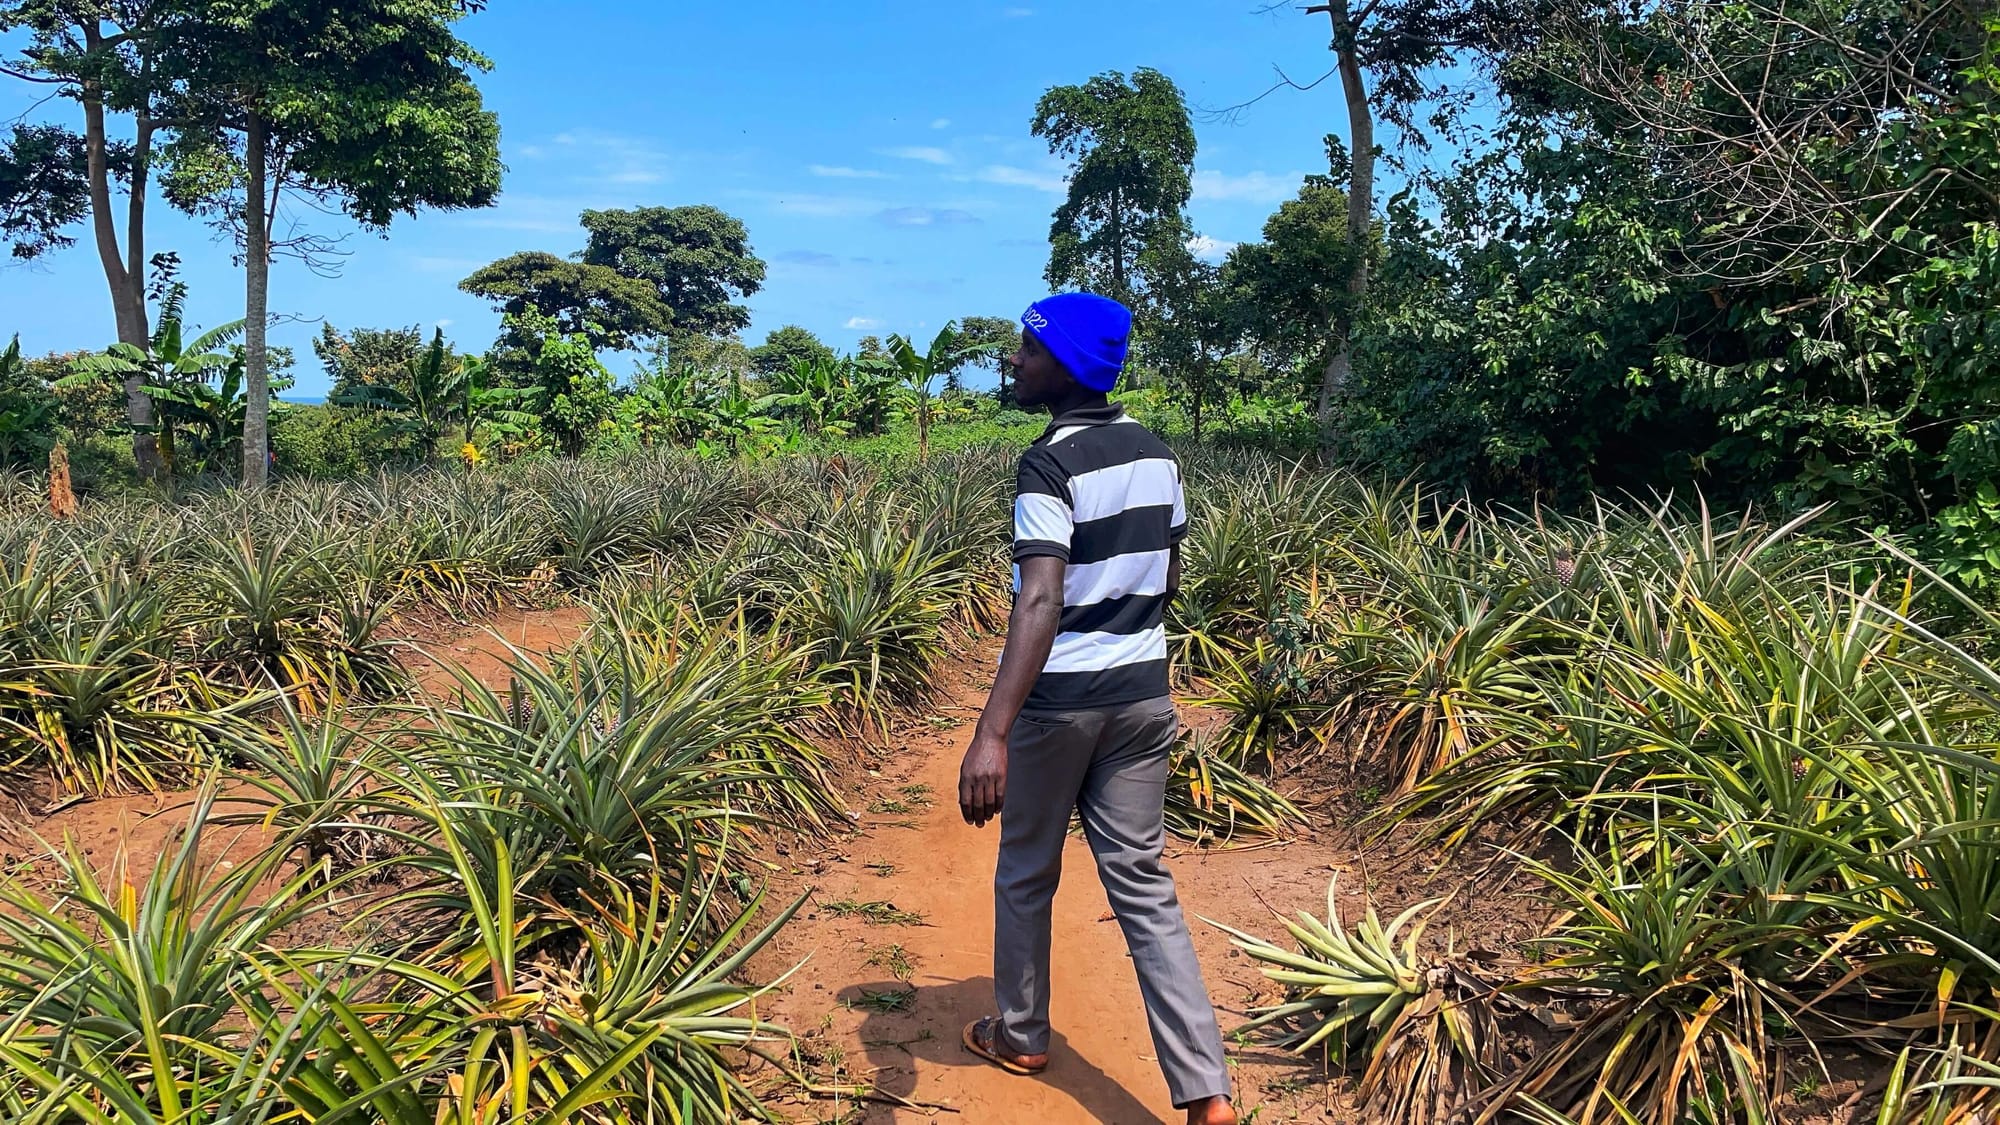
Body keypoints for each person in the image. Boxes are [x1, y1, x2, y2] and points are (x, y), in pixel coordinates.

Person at [958, 293, 1237, 1125]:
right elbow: (1169, 578)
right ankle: (1207, 1093)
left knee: (1026, 868)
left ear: (1067, 365)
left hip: (1060, 707)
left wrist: (992, 732)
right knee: (1145, 888)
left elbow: (1039, 600)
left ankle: (1022, 1031)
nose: (1016, 362)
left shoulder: (1049, 462)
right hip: (1144, 696)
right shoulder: (1158, 455)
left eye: (1029, 351)